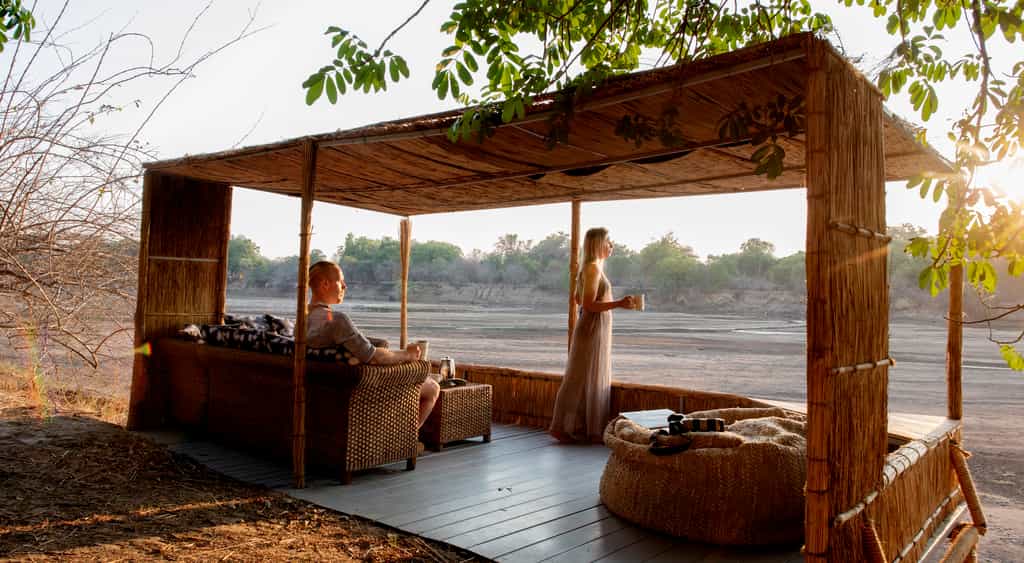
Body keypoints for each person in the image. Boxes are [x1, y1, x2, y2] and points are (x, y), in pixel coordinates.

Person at [306, 260, 440, 428]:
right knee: (433, 387)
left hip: (326, 388)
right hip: (362, 394)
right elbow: (373, 357)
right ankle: (407, 437)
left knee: (383, 344)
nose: (345, 287)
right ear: (325, 284)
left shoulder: (304, 318)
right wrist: (408, 354)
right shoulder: (337, 319)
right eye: (341, 282)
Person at [549, 228, 635, 443]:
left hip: (593, 325)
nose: (611, 245)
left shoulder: (589, 268)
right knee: (579, 377)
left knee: (583, 375)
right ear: (598, 244)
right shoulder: (592, 269)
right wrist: (619, 303)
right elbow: (587, 304)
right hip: (591, 327)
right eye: (608, 241)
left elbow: (577, 299)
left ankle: (576, 427)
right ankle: (564, 427)